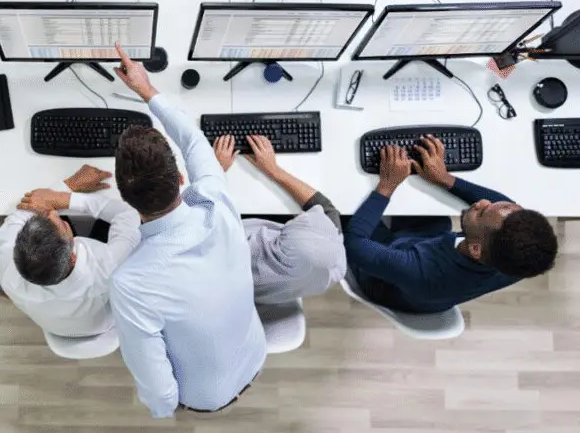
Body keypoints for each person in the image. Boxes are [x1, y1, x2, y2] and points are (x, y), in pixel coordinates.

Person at [109, 44, 266, 418]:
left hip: (207, 397)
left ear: (126, 198)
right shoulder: (216, 200)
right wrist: (147, 90)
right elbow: (194, 141)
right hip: (254, 351)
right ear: (181, 178)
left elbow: (163, 399)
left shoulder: (131, 284)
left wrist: (170, 408)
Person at [345, 136, 558, 313]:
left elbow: (355, 244)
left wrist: (387, 185)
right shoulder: (520, 261)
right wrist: (445, 179)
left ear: (476, 249)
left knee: (344, 204)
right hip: (428, 245)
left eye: (482, 212)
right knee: (423, 195)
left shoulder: (422, 270)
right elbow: (505, 208)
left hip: (386, 278)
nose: (481, 203)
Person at [0, 164, 140, 337]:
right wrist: (67, 197)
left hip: (56, 325)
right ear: (72, 257)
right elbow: (128, 214)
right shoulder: (111, 268)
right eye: (62, 224)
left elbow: (20, 213)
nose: (52, 213)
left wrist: (66, 187)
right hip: (103, 323)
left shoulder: (7, 271)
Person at [213, 134, 347, 305]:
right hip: (266, 293)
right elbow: (327, 209)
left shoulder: (227, 251)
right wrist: (273, 170)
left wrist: (215, 171)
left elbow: (199, 213)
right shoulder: (335, 271)